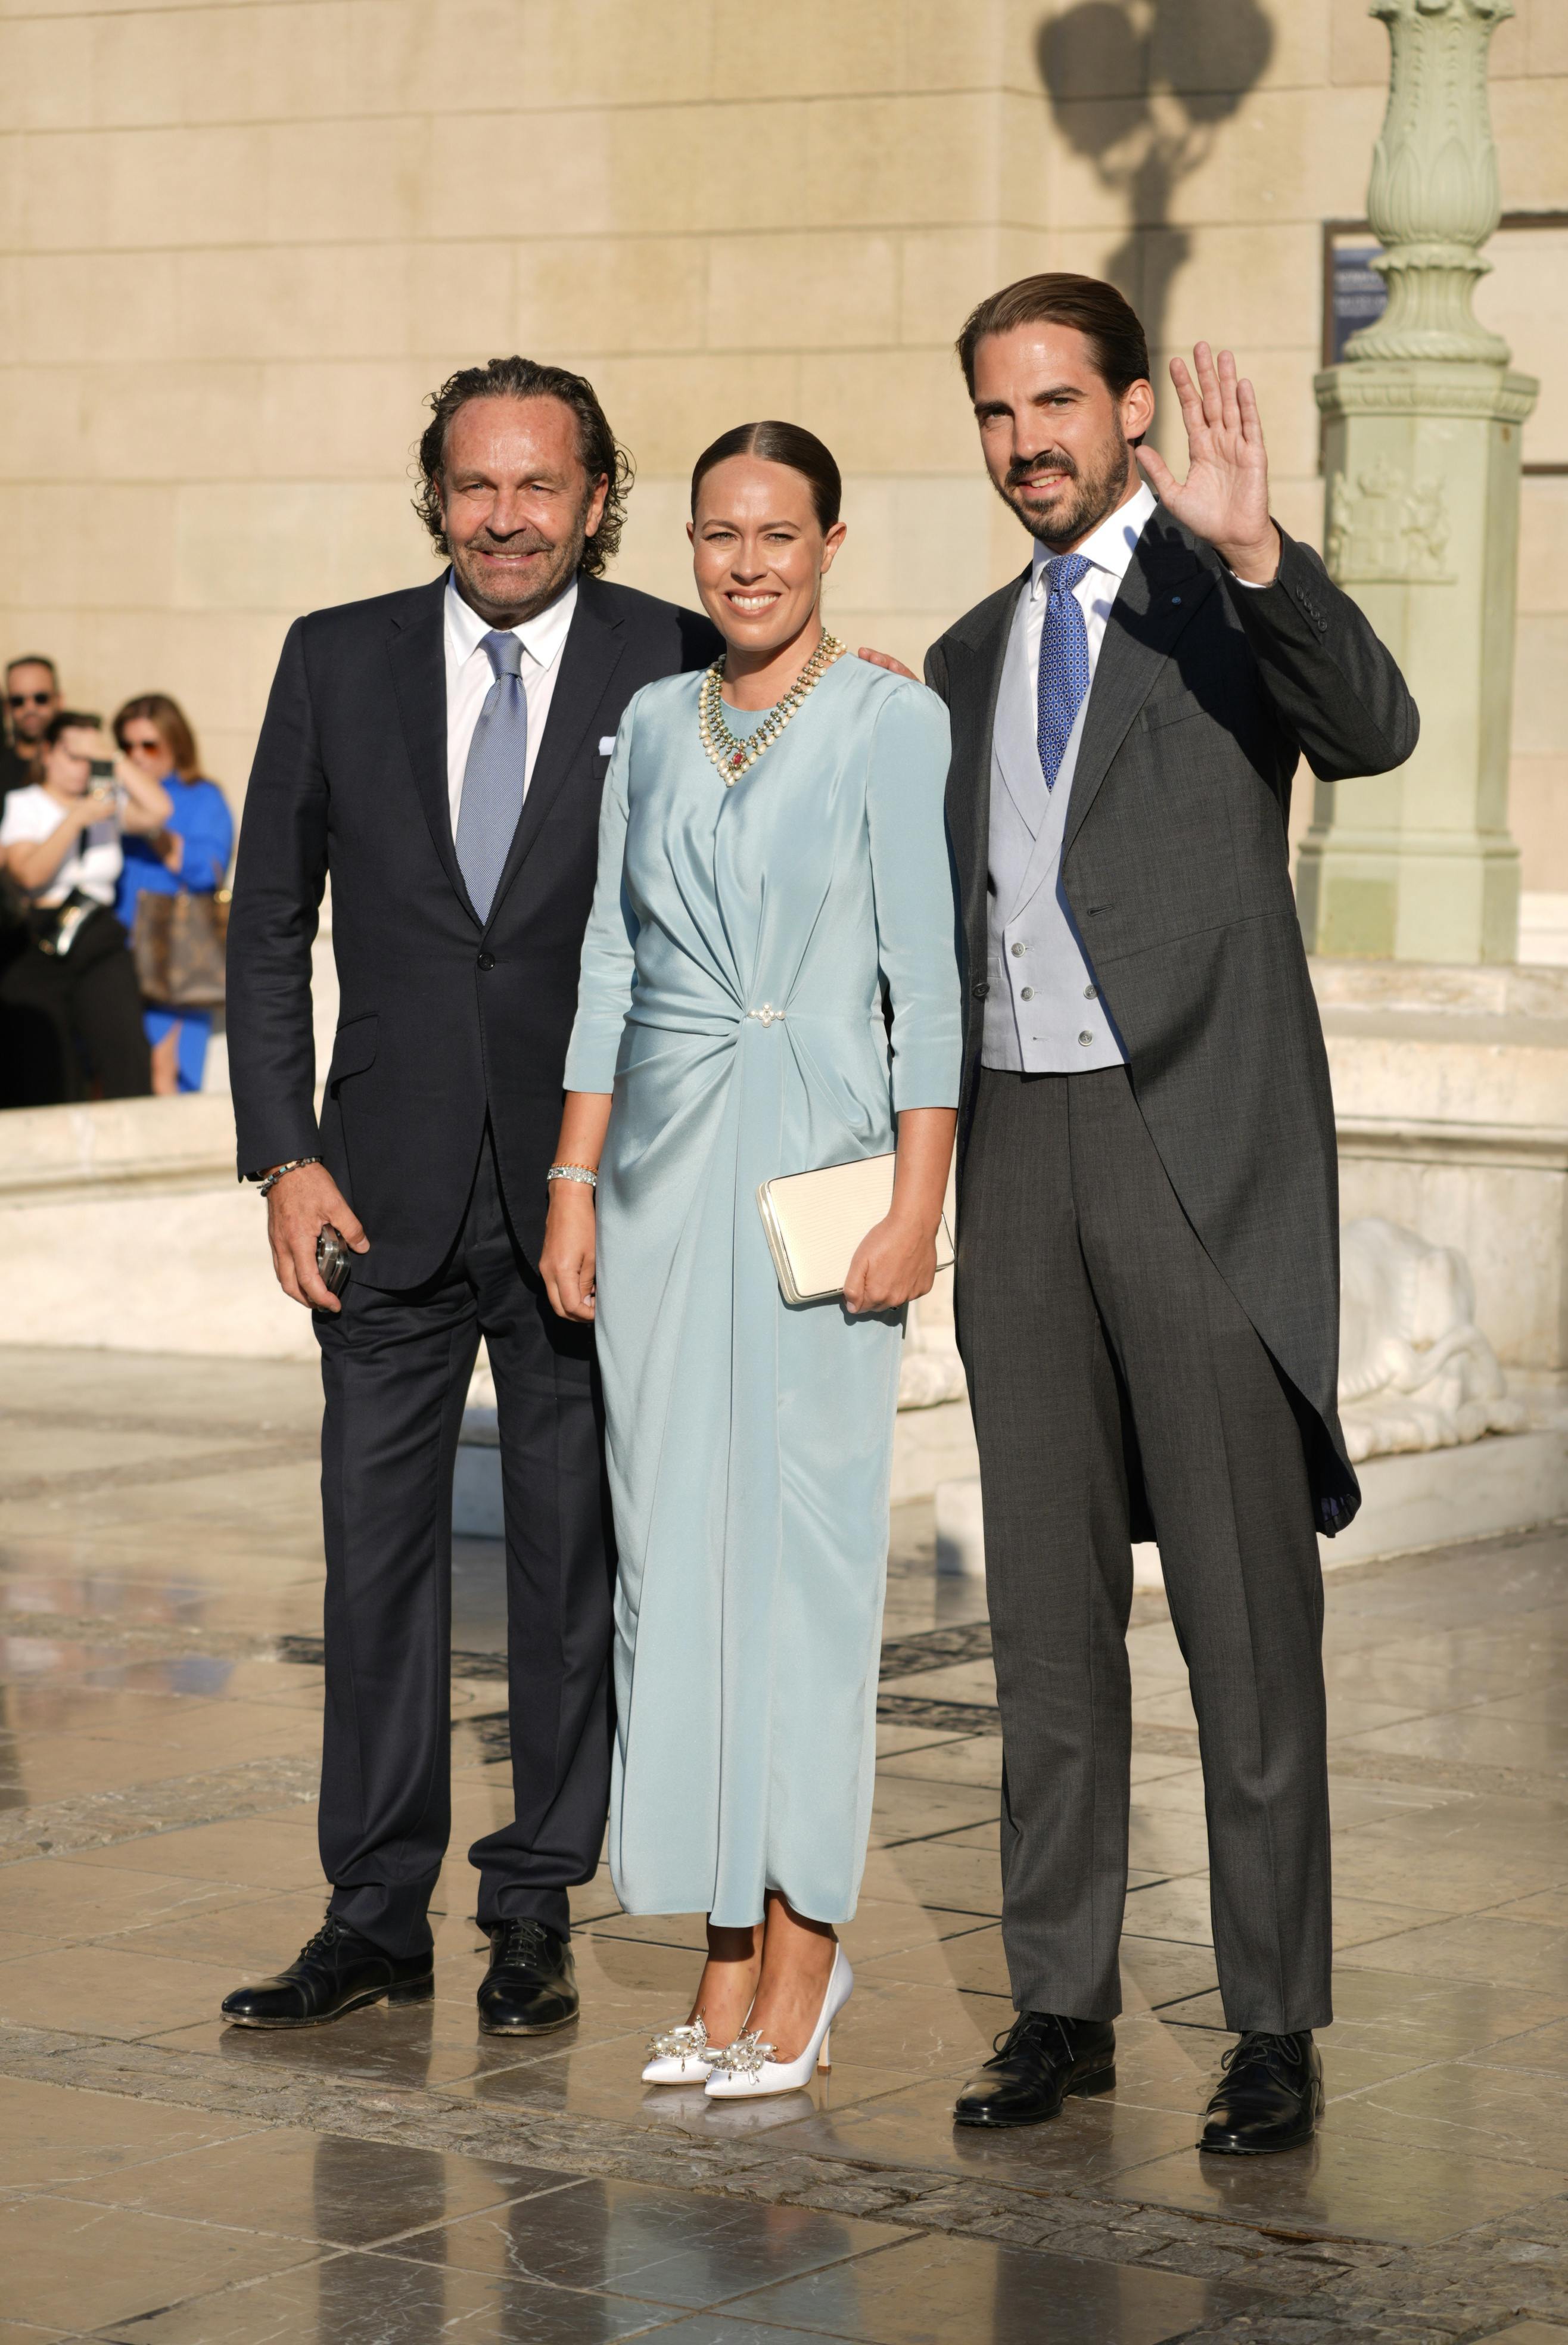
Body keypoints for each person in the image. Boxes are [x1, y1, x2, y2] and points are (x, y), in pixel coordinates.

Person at [878, 275, 1417, 2154]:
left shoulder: (1213, 598)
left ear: (1124, 408)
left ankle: (1271, 2020)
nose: (1024, 441)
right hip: (1016, 1161)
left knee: (1243, 1621)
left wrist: (1260, 543)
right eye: (994, 413)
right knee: (1041, 1616)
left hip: (1195, 1152)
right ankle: (1059, 1999)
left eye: (1054, 404)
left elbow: (1377, 728)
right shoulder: (957, 658)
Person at [222, 358, 722, 2038]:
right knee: (374, 1567)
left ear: (596, 496)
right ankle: (371, 1913)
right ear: (434, 494)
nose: (507, 518)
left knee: (569, 1561)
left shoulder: (672, 656)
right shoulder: (335, 656)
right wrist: (285, 1152)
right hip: (380, 1191)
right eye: (476, 486)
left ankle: (532, 1908)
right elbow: (268, 918)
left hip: (593, 1193)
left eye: (541, 487)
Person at [541, 422, 962, 2100]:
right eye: (719, 533)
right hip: (655, 1181)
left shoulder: (889, 718)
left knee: (803, 1569)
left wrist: (917, 1209)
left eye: (778, 532)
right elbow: (606, 961)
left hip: (821, 1183)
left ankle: (806, 1947)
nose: (746, 562)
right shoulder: (646, 723)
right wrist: (575, 1185)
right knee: (678, 1572)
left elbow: (928, 987)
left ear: (833, 542)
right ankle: (720, 1941)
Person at [0, 710, 172, 1104]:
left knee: (126, 1053)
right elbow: (28, 874)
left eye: (88, 756)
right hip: (43, 936)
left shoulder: (106, 803)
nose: (82, 766)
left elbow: (159, 811)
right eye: (72, 754)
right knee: (47, 1066)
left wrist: (113, 758)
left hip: (100, 935)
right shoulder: (25, 803)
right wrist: (75, 818)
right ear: (47, 753)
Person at [113, 694, 235, 1096]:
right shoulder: (114, 797)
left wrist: (153, 822)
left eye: (149, 745)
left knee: (164, 1071)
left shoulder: (202, 796)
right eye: (127, 746)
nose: (137, 756)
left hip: (173, 951)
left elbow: (207, 871)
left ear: (175, 742)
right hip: (114, 951)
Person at [1, 656, 63, 806]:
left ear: (59, 700)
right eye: (18, 701)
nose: (30, 709)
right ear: (8, 707)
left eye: (41, 698)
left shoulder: (80, 765)